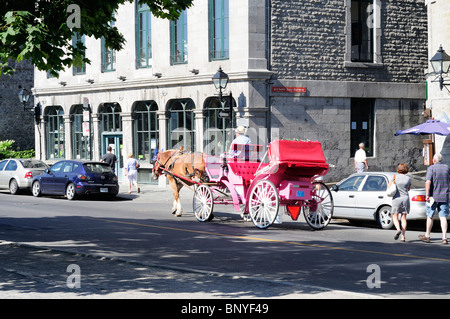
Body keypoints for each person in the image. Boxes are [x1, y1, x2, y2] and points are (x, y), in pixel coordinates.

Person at [419, 153, 450, 244]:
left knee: (430, 216)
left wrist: (427, 194)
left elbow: (428, 182)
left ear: (434, 160)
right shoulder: (447, 168)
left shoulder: (431, 168)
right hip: (444, 196)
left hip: (433, 196)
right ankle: (444, 238)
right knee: (443, 217)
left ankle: (427, 236)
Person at [389, 163, 411, 242]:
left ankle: (398, 229)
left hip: (396, 199)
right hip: (405, 198)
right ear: (406, 169)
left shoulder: (394, 177)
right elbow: (408, 189)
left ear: (398, 169)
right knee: (403, 217)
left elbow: (389, 187)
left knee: (395, 216)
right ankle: (403, 236)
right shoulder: (408, 178)